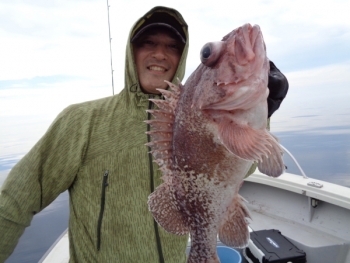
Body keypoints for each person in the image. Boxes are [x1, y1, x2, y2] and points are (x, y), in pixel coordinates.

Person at [0, 6, 288, 263]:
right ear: (130, 52)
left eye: (172, 46)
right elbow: (14, 202)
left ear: (182, 57)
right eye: (148, 43)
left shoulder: (200, 112)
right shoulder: (81, 121)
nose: (160, 54)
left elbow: (238, 167)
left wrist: (261, 117)